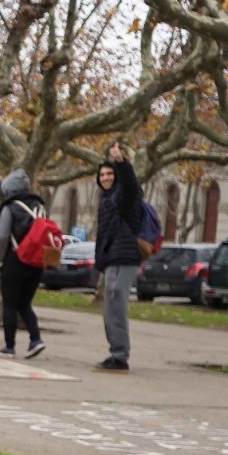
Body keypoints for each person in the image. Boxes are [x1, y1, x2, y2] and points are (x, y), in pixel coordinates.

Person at [93, 143, 143, 372]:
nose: (105, 178)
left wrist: (121, 162)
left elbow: (131, 184)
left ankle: (120, 356)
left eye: (109, 173)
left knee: (116, 307)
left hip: (124, 257)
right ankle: (116, 353)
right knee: (109, 309)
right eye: (102, 175)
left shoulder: (124, 195)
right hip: (112, 258)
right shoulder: (106, 199)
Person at [0, 169, 48, 359]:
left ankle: (9, 346)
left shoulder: (9, 208)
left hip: (14, 260)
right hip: (36, 262)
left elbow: (3, 237)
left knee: (10, 304)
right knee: (25, 304)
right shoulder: (40, 207)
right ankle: (35, 339)